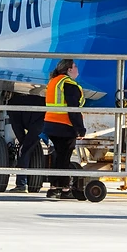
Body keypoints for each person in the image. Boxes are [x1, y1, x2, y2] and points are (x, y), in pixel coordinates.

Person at [40, 59, 85, 197]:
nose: (77, 69)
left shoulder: (54, 82)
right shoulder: (69, 84)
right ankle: (65, 188)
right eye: (75, 66)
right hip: (64, 125)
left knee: (57, 156)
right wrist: (80, 128)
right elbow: (73, 109)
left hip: (50, 124)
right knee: (64, 157)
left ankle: (54, 187)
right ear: (69, 70)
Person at [4, 89, 44, 193]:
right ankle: (57, 184)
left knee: (24, 151)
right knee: (55, 150)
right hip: (49, 119)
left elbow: (17, 126)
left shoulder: (12, 106)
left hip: (39, 124)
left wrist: (22, 143)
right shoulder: (31, 98)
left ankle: (21, 184)